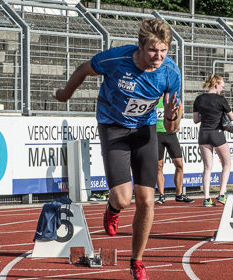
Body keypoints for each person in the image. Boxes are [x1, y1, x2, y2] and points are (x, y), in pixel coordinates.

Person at [53, 18, 180, 280]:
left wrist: (169, 117)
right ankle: (113, 208)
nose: (158, 57)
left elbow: (172, 128)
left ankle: (137, 261)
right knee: (123, 199)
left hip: (145, 129)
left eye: (163, 51)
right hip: (113, 127)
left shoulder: (170, 72)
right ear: (140, 47)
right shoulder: (116, 59)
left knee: (146, 200)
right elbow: (83, 69)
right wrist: (66, 94)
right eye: (153, 51)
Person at [193, 74, 233, 207]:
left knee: (207, 167)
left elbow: (195, 120)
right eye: (221, 86)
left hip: (204, 134)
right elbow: (232, 118)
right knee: (227, 164)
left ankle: (206, 198)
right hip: (217, 133)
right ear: (216, 85)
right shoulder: (221, 100)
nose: (222, 89)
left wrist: (205, 115)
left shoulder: (199, 99)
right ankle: (221, 195)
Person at [155, 93, 194, 205]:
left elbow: (180, 107)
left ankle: (179, 194)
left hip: (171, 134)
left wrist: (178, 122)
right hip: (157, 134)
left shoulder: (172, 98)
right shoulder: (154, 98)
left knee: (179, 164)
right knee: (159, 166)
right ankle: (161, 195)